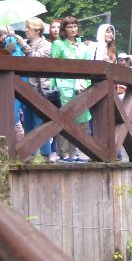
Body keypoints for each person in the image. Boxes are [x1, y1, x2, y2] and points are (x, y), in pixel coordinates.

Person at [50, 16, 92, 161]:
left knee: (81, 119)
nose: (73, 29)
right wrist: (53, 86)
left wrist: (86, 84)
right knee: (65, 119)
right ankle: (64, 153)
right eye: (69, 27)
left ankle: (74, 153)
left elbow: (88, 67)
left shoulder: (83, 46)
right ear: (64, 29)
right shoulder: (58, 44)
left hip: (80, 86)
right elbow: (52, 67)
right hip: (64, 86)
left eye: (75, 26)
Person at [22, 17, 55, 159]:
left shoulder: (46, 45)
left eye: (28, 28)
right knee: (28, 122)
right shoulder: (25, 44)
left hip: (41, 90)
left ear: (37, 29)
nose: (26, 31)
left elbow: (37, 60)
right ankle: (30, 154)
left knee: (40, 122)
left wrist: (23, 45)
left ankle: (46, 154)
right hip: (24, 88)